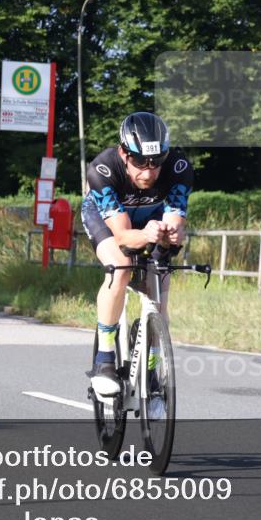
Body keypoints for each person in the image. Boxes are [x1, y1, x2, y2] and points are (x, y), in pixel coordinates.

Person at [82, 112, 194, 397]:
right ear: (123, 153)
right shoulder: (103, 169)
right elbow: (121, 237)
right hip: (108, 220)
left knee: (160, 282)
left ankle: (152, 368)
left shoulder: (179, 167)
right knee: (121, 267)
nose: (148, 171)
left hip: (150, 218)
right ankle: (104, 359)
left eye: (156, 162)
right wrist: (145, 235)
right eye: (139, 162)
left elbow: (175, 220)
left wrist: (174, 234)